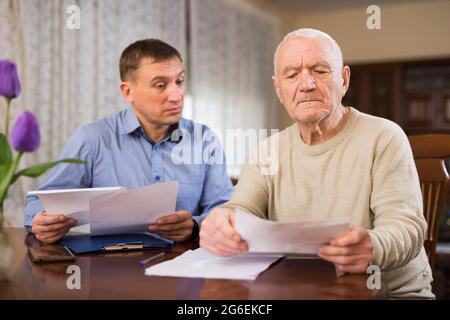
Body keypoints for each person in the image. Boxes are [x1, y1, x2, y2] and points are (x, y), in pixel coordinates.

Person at [199, 28, 434, 299]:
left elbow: (406, 226)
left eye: (320, 70)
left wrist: (372, 245)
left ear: (344, 79)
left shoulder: (385, 136)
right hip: (300, 290)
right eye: (292, 74)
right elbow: (240, 208)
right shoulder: (267, 150)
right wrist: (221, 223)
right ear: (279, 89)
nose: (307, 84)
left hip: (389, 294)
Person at [25, 39, 233, 244]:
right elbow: (38, 202)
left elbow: (224, 207)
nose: (176, 95)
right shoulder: (91, 139)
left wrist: (195, 227)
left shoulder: (205, 140)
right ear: (128, 92)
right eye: (160, 85)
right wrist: (41, 219)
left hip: (184, 265)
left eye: (179, 81)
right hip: (112, 268)